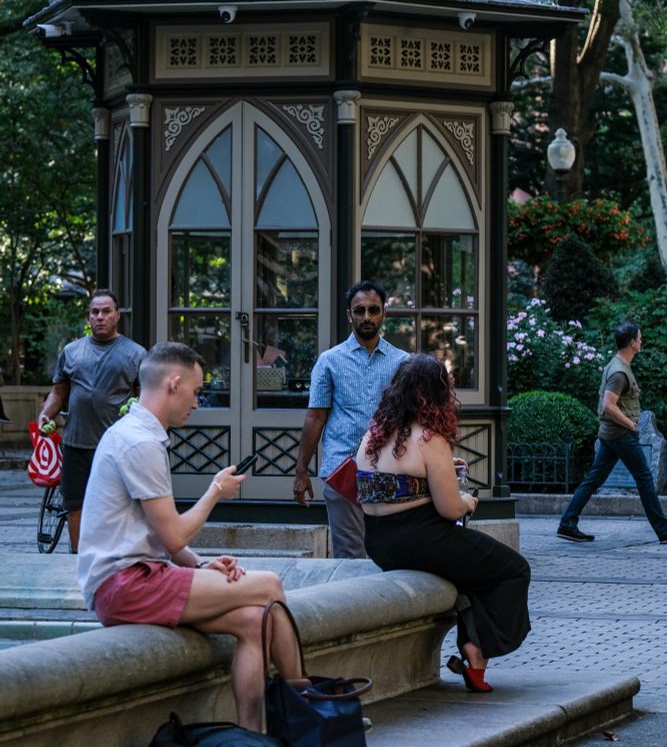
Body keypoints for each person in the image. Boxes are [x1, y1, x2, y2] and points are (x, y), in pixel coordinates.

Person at [78, 342, 304, 732]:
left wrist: (201, 563)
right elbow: (173, 534)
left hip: (136, 578)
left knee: (254, 621)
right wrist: (215, 490)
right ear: (174, 383)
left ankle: (253, 735)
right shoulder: (140, 442)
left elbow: (162, 536)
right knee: (269, 585)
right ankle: (313, 713)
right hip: (126, 584)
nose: (198, 402)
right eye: (196, 391)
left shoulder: (135, 433)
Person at [356, 353, 531, 693]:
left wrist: (444, 468)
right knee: (513, 570)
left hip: (380, 544)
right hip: (423, 541)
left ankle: (472, 649)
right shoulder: (429, 439)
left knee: (470, 572)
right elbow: (450, 509)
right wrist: (468, 501)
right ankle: (477, 649)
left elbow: (396, 483)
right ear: (434, 394)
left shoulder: (373, 435)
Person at [293, 280, 409, 558]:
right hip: (342, 469)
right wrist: (301, 471)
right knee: (349, 556)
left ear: (384, 313)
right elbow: (315, 417)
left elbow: (410, 418)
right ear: (349, 315)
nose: (367, 317)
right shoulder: (329, 361)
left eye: (373, 310)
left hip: (387, 469)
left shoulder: (402, 362)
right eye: (359, 311)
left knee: (390, 552)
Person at [37, 289, 146, 552]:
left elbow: (144, 396)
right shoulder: (72, 351)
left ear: (117, 316)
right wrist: (45, 414)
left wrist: (137, 411)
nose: (100, 317)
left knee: (116, 506)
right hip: (76, 443)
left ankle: (112, 560)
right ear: (88, 317)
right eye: (95, 312)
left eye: (106, 311)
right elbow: (58, 392)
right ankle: (77, 559)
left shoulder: (136, 353)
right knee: (75, 505)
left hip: (115, 446)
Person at [558, 322, 667, 544]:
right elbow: (608, 405)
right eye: (639, 337)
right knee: (644, 478)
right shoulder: (619, 372)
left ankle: (567, 523)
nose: (641, 340)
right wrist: (630, 424)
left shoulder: (618, 364)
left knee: (594, 479)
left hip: (610, 434)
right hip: (621, 434)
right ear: (632, 342)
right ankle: (663, 531)